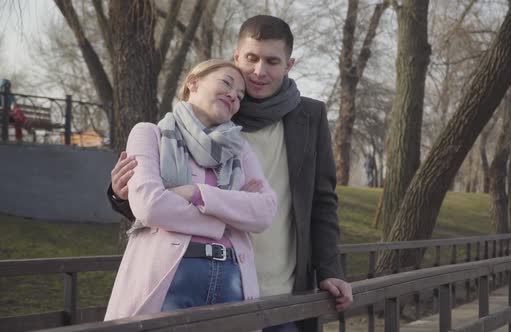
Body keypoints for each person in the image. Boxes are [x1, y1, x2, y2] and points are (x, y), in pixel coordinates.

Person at [108, 15, 353, 331]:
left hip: (283, 289)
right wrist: (119, 193)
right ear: (237, 56)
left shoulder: (310, 116)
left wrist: (330, 269)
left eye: (272, 61)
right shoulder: (194, 120)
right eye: (251, 58)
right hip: (213, 285)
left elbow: (321, 201)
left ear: (289, 65)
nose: (259, 71)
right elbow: (152, 202)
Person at [104, 59, 277, 320]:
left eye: (240, 95)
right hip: (167, 279)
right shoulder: (150, 135)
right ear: (193, 83)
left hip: (232, 280)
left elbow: (264, 213)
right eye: (226, 83)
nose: (233, 95)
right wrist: (228, 216)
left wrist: (194, 193)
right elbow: (150, 206)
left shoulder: (240, 150)